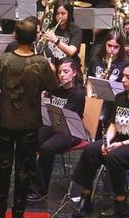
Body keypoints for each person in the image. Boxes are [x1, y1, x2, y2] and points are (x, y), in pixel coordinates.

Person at [0, 19, 59, 218]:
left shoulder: (4, 60)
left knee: (3, 166)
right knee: (24, 169)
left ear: (15, 37)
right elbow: (53, 87)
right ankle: (18, 217)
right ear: (36, 38)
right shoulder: (41, 62)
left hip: (5, 122)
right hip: (29, 124)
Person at [72, 61, 129, 218]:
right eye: (123, 76)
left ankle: (120, 204)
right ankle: (86, 196)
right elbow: (113, 124)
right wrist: (108, 142)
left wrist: (121, 144)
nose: (123, 80)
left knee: (114, 156)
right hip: (118, 141)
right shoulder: (119, 98)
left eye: (127, 77)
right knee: (91, 149)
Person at [29, 57, 86, 202]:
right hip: (54, 127)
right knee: (30, 140)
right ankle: (30, 184)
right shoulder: (56, 89)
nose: (62, 75)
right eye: (60, 72)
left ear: (74, 73)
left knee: (47, 148)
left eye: (66, 72)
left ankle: (41, 191)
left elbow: (64, 117)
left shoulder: (78, 93)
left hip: (71, 131)